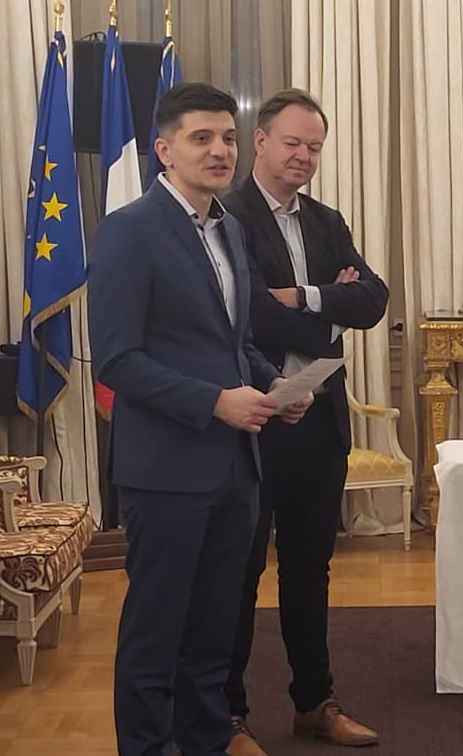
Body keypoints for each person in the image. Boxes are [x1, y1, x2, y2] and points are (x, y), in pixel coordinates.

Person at [88, 82, 312, 756]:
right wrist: (215, 400)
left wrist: (274, 384)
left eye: (228, 138)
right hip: (165, 470)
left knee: (215, 631)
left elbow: (233, 343)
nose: (220, 151)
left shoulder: (229, 228)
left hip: (236, 469)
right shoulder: (130, 230)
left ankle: (208, 740)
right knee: (157, 633)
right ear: (165, 150)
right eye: (201, 138)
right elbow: (117, 360)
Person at [222, 89, 389, 754]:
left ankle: (314, 703)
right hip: (253, 420)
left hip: (319, 422)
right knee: (240, 574)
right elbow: (249, 316)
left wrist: (306, 295)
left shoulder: (326, 221)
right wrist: (328, 311)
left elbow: (373, 300)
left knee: (310, 568)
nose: (304, 156)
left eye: (314, 147)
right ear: (260, 141)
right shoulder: (227, 217)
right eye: (292, 143)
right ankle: (227, 716)